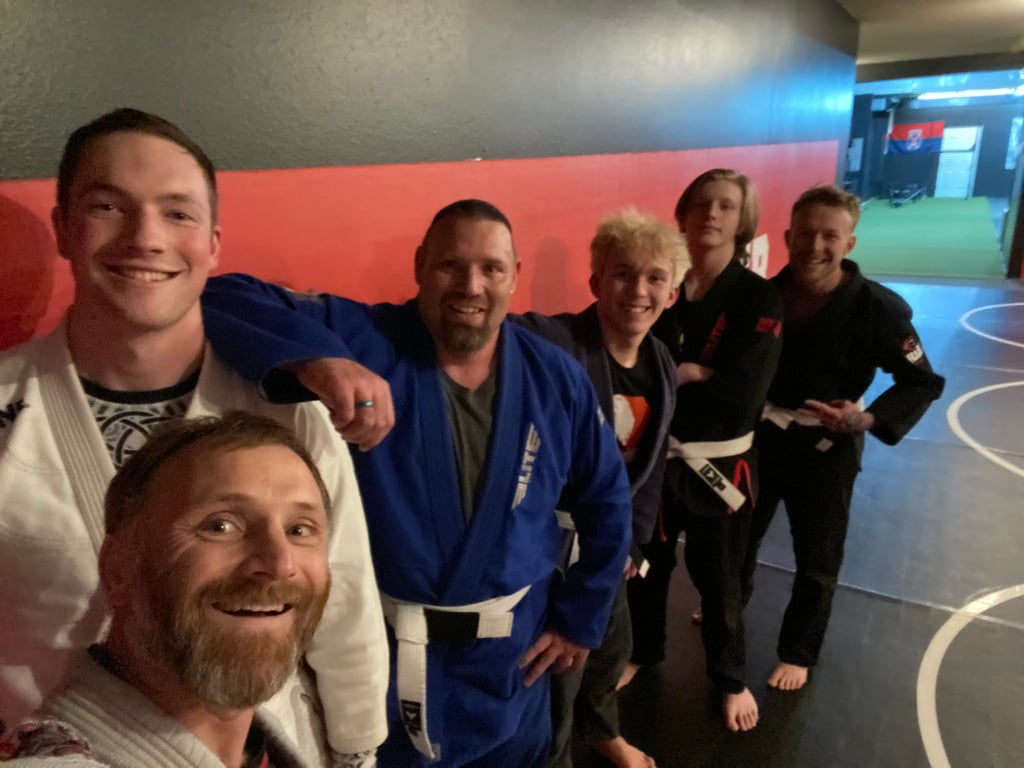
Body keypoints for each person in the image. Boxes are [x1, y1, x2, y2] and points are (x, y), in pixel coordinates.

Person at [0, 108, 389, 766]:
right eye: (107, 207)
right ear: (65, 227)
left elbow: (343, 606)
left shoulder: (289, 415)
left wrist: (358, 751)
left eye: (177, 213)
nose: (146, 238)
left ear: (212, 243)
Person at [200, 199, 634, 767]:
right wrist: (319, 360)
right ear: (420, 266)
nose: (471, 286)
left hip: (513, 664)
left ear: (514, 276)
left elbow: (608, 500)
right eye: (451, 265)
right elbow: (219, 295)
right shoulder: (365, 339)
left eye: (491, 269)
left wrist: (581, 618)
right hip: (384, 659)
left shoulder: (555, 377)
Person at [0, 412, 335, 767]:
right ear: (118, 565)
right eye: (220, 526)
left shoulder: (270, 748)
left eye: (299, 530)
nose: (280, 564)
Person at [742, 184, 945, 692]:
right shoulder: (762, 296)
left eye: (829, 236)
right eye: (805, 234)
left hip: (828, 446)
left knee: (818, 554)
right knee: (738, 537)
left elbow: (922, 381)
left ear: (849, 243)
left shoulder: (879, 308)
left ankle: (798, 651)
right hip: (762, 435)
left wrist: (868, 419)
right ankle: (729, 602)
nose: (815, 246)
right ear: (787, 236)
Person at [514, 211, 686, 768]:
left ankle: (601, 730)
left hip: (607, 540)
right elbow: (498, 327)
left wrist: (633, 542)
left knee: (613, 647)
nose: (638, 290)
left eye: (655, 278)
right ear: (596, 282)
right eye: (622, 274)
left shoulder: (661, 362)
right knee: (559, 667)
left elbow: (651, 467)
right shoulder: (558, 341)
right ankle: (554, 757)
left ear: (672, 293)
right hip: (550, 542)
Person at [621, 169, 782, 733]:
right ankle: (643, 651)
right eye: (702, 204)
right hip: (659, 458)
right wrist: (690, 373)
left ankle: (730, 678)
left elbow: (747, 390)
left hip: (722, 463)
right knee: (648, 565)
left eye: (726, 206)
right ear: (684, 214)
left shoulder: (759, 296)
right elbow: (635, 363)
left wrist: (688, 373)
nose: (711, 214)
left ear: (743, 221)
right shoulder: (665, 287)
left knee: (719, 578)